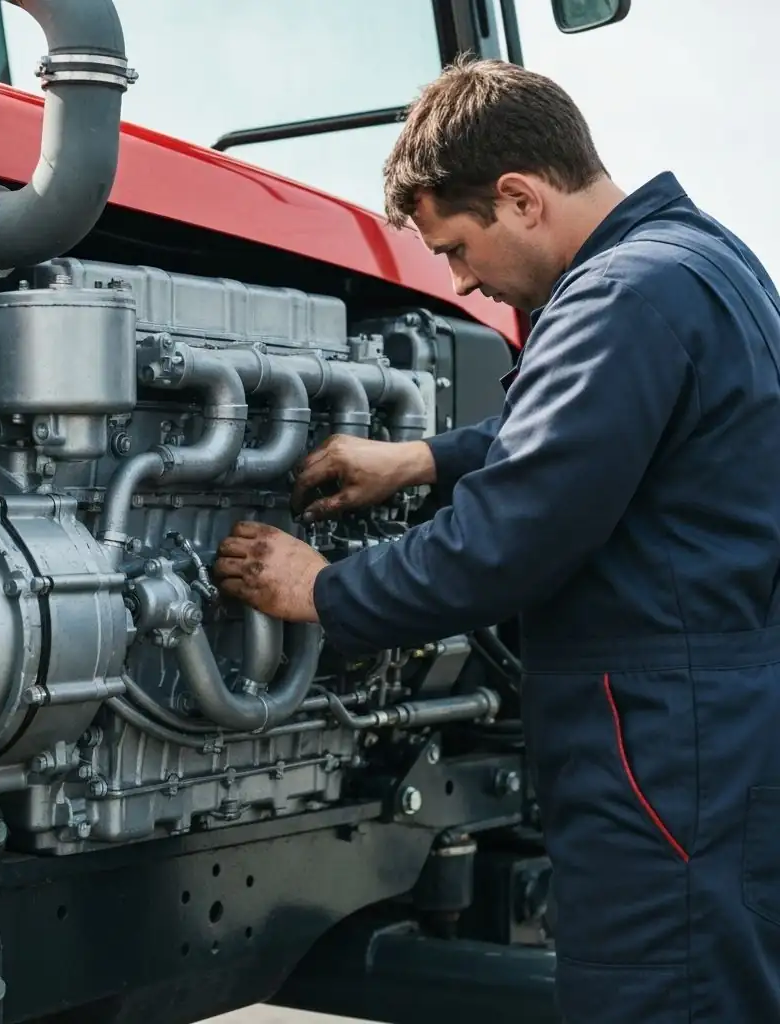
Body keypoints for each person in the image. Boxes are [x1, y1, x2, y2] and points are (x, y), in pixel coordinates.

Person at [213, 55, 780, 1023]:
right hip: (716, 724)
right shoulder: (697, 262)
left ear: (519, 197)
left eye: (457, 248)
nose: (461, 280)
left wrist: (321, 588)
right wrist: (422, 458)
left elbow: (503, 542)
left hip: (657, 750)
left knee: (660, 996)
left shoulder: (616, 300)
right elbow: (593, 438)